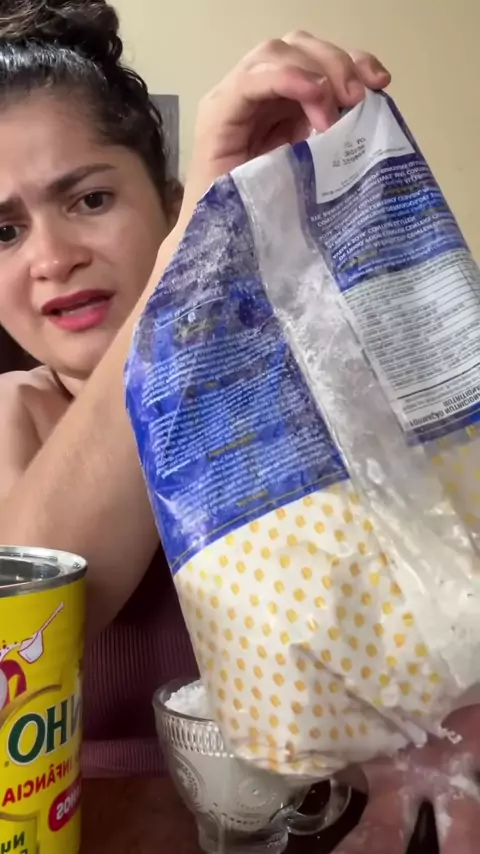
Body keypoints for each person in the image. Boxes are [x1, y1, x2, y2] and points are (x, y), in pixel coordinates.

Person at [0, 0, 477, 847]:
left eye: (91, 198)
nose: (52, 257)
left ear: (171, 203)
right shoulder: (13, 415)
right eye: (2, 231)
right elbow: (27, 626)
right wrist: (186, 264)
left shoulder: (309, 402)